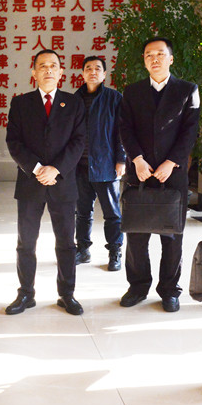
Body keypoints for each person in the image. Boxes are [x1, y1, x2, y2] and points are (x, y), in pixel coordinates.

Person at [118, 37, 200, 312]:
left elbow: (190, 131)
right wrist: (137, 159)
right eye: (149, 55)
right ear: (144, 60)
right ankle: (138, 286)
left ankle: (169, 290)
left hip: (172, 175)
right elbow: (125, 128)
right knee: (136, 235)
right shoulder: (132, 92)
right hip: (139, 172)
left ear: (171, 58)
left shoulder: (187, 90)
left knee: (172, 236)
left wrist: (172, 162)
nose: (154, 59)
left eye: (160, 54)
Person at [5, 49, 87, 316]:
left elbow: (79, 141)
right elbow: (14, 142)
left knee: (66, 243)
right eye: (42, 65)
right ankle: (25, 294)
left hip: (63, 184)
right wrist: (38, 169)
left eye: (53, 65)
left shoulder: (74, 103)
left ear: (61, 72)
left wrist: (56, 169)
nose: (48, 69)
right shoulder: (20, 103)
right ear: (34, 72)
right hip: (31, 183)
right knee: (26, 243)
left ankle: (67, 294)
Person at [73, 55, 126, 271]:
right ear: (82, 74)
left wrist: (121, 159)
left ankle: (115, 251)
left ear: (104, 74)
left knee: (112, 212)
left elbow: (122, 131)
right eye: (88, 68)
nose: (93, 72)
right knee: (82, 212)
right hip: (79, 167)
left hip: (106, 165)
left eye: (97, 68)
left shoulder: (114, 98)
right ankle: (83, 249)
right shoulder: (74, 99)